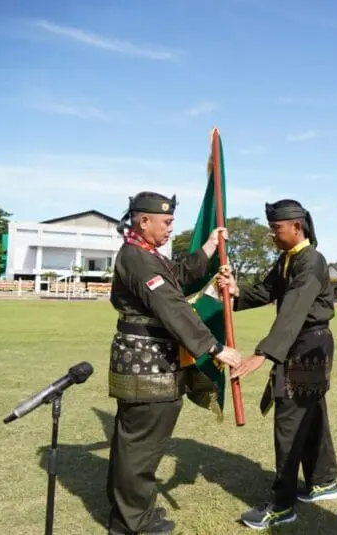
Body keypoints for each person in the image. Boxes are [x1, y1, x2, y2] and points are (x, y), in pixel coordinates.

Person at [106, 191, 242, 535]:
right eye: (166, 222)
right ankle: (132, 523)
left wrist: (209, 247)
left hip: (149, 363)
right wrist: (213, 347)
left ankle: (132, 513)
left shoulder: (144, 254)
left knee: (136, 444)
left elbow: (176, 276)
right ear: (143, 220)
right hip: (146, 367)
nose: (170, 229)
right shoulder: (137, 258)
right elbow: (171, 303)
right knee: (140, 447)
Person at [224, 199, 337, 530]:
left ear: (296, 227)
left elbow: (293, 309)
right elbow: (266, 291)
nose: (271, 235)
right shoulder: (288, 258)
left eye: (276, 228)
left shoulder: (311, 261)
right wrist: (235, 291)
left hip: (308, 345)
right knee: (310, 414)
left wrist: (264, 354)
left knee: (290, 420)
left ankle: (282, 505)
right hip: (304, 342)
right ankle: (323, 480)